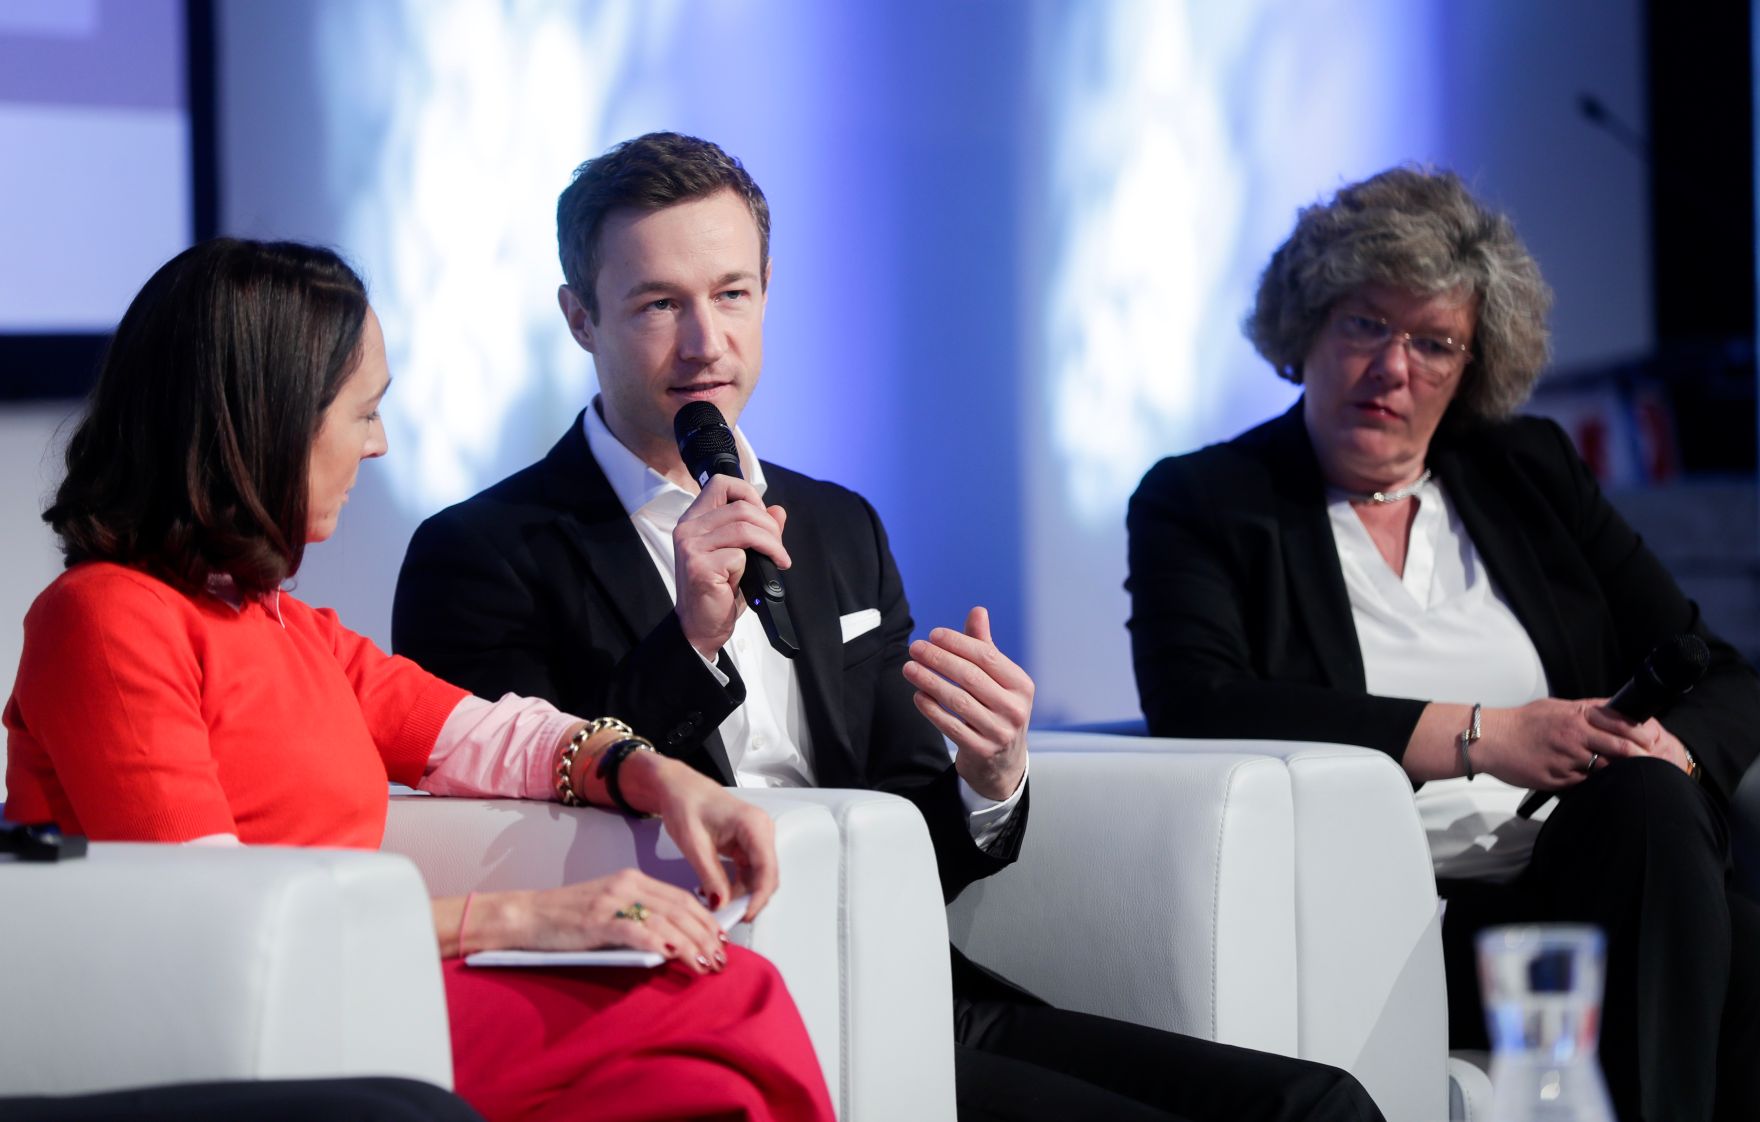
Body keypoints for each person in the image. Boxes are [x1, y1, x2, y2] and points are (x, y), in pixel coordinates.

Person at [393, 131, 1384, 1122]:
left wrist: (988, 777)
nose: (706, 343)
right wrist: (688, 645)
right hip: (690, 1012)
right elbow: (521, 825)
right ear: (580, 317)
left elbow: (911, 829)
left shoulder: (836, 525)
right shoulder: (481, 552)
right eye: (659, 305)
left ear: (768, 289)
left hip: (908, 984)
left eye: (732, 294)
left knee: (1317, 1105)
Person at [2, 238, 834, 1122]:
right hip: (264, 1026)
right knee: (729, 996)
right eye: (361, 414)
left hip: (358, 982)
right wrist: (531, 918)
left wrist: (662, 780)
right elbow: (218, 921)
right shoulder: (104, 620)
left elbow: (491, 737)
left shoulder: (281, 622)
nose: (379, 445)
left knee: (699, 1079)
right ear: (266, 420)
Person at [1127, 166, 1760, 1122]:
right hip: (1402, 919)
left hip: (1595, 872)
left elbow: (1722, 676)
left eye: (1434, 343)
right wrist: (1485, 734)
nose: (1394, 369)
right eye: (1367, 326)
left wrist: (1672, 746)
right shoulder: (1205, 501)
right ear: (1307, 329)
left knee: (1655, 804)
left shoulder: (1529, 471)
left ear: (1473, 367)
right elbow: (1201, 705)